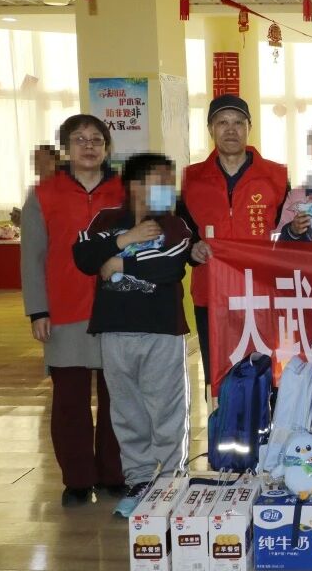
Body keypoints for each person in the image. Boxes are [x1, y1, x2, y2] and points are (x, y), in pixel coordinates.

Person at [72, 153, 196, 517]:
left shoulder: (174, 224)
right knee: (127, 414)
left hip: (161, 332)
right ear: (136, 185)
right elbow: (83, 256)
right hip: (115, 333)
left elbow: (171, 265)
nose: (168, 188)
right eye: (160, 180)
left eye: (170, 181)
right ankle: (140, 481)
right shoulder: (107, 220)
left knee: (167, 411)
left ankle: (172, 482)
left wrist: (119, 262)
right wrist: (126, 239)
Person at [20, 114, 124, 507]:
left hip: (118, 308)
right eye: (79, 139)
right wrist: (38, 310)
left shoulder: (126, 190)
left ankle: (114, 473)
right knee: (70, 402)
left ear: (107, 147)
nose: (89, 146)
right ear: (66, 148)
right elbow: (32, 257)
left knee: (118, 397)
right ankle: (78, 480)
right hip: (63, 311)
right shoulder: (43, 194)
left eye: (96, 139)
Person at [179, 95, 289, 392]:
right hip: (211, 295)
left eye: (238, 123)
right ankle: (223, 422)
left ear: (249, 127)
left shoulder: (277, 177)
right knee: (220, 380)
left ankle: (267, 424)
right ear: (210, 129)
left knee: (268, 378)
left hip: (263, 296)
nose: (231, 129)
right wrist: (192, 249)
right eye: (222, 123)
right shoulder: (190, 179)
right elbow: (180, 232)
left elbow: (288, 235)